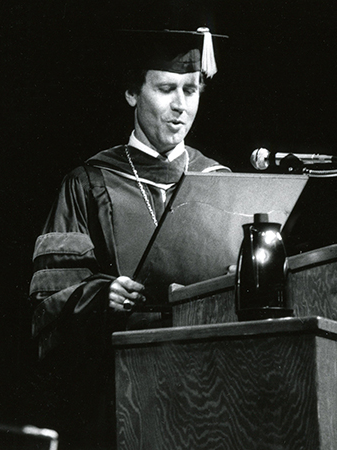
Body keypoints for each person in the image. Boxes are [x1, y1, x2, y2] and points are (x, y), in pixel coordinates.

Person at [28, 28, 230, 449]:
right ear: (132, 93)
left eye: (191, 90)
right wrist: (103, 296)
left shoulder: (221, 184)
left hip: (211, 389)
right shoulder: (89, 182)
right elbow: (49, 299)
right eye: (166, 88)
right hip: (121, 394)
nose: (181, 105)